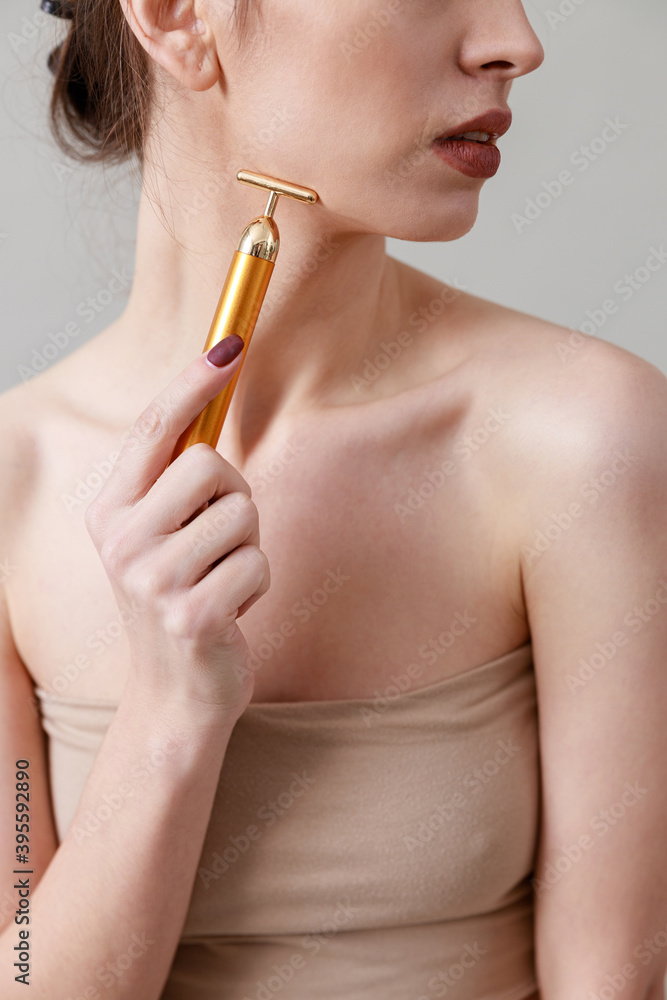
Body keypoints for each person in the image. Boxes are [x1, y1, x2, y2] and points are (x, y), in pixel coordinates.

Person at [1, 1, 666, 997]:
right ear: (177, 16)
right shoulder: (14, 483)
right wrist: (171, 713)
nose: (516, 43)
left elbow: (616, 981)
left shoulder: (586, 438)